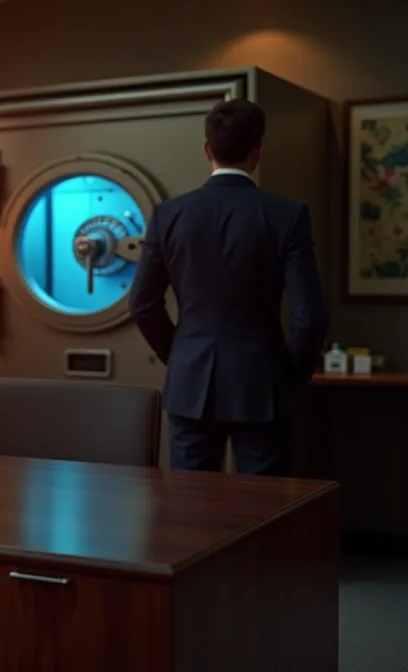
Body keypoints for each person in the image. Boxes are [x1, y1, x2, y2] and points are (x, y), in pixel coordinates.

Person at [127, 99, 329, 476]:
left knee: (190, 502)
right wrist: (291, 375)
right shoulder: (286, 215)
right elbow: (309, 314)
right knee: (264, 504)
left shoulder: (169, 215)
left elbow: (141, 303)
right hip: (262, 382)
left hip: (190, 382)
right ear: (258, 151)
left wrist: (181, 353)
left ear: (207, 150)